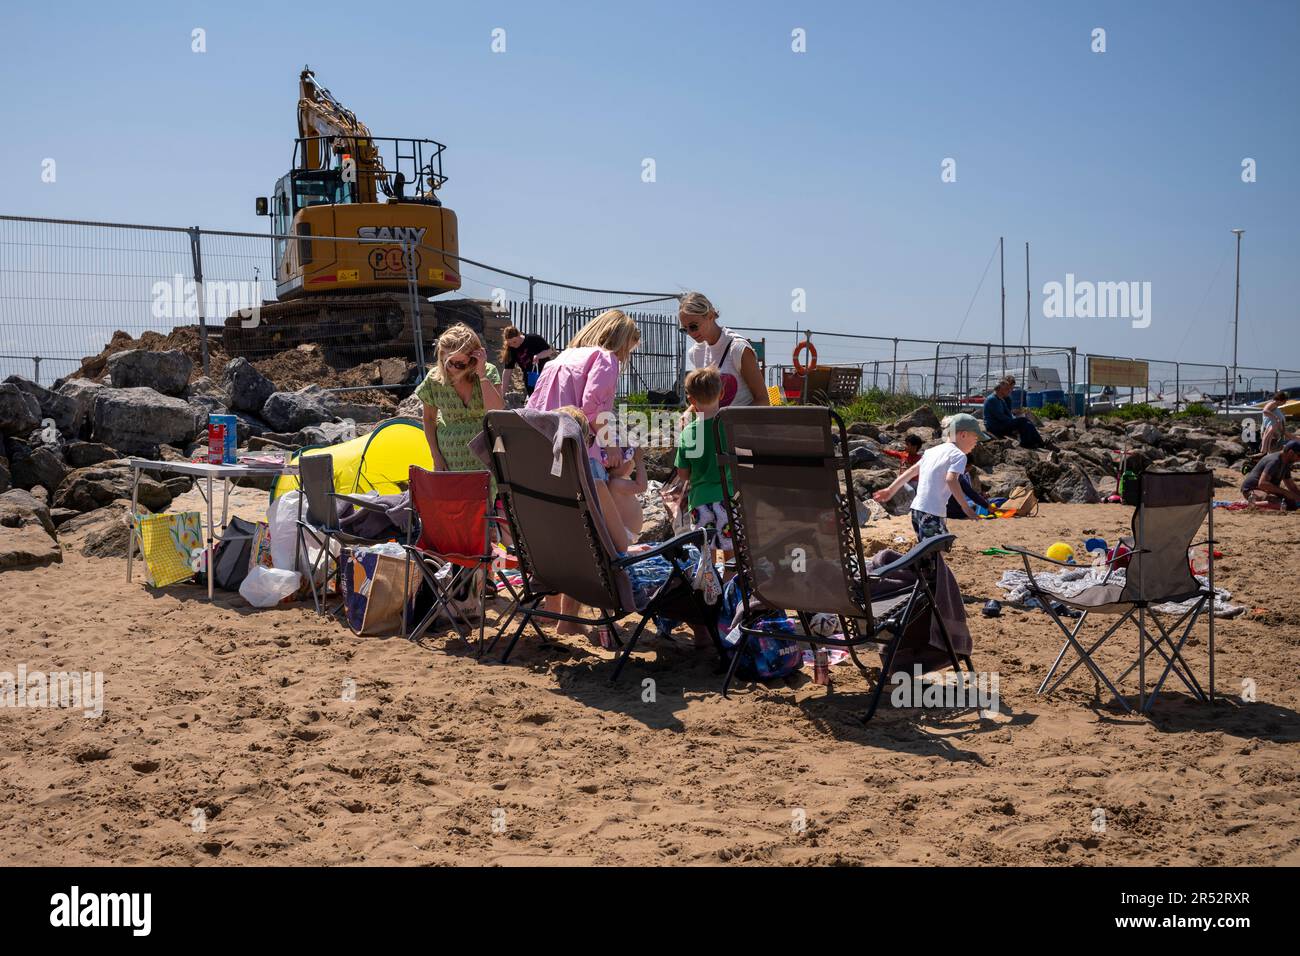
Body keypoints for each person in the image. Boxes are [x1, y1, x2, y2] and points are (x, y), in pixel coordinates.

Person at [527, 309, 640, 481]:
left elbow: (532, 406)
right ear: (621, 342)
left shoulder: (562, 357)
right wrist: (610, 445)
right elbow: (590, 408)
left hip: (545, 446)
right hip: (579, 452)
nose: (625, 356)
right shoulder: (605, 358)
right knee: (599, 503)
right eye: (627, 349)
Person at [874, 414, 986, 540]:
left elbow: (911, 471)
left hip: (917, 510)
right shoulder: (959, 455)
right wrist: (965, 507)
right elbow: (951, 479)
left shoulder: (931, 451)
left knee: (928, 550)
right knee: (936, 550)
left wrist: (890, 490)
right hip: (933, 512)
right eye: (976, 437)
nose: (976, 442)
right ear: (963, 435)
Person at [415, 323, 503, 476]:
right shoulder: (435, 379)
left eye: (459, 364)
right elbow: (429, 419)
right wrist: (436, 456)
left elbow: (496, 411)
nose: (453, 369)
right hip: (450, 459)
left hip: (486, 456)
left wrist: (482, 376)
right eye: (448, 362)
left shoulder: (488, 371)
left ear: (473, 358)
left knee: (489, 499)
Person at [674, 367, 733, 567]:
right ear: (722, 393)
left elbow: (683, 474)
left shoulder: (689, 433)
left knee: (706, 555)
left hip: (700, 502)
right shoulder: (731, 426)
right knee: (730, 554)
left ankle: (709, 588)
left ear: (691, 400)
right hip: (728, 498)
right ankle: (729, 588)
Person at [678, 291, 769, 409]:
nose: (690, 333)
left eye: (693, 326)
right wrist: (687, 414)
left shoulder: (738, 348)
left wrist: (730, 420)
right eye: (684, 329)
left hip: (741, 425)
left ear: (710, 316)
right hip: (715, 425)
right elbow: (705, 399)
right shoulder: (696, 353)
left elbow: (763, 400)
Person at [983, 376, 1048, 449]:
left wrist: (1015, 419)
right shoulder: (992, 400)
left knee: (1026, 422)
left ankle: (1037, 443)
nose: (1010, 391)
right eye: (1007, 389)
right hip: (994, 426)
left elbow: (1008, 413)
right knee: (1023, 421)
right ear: (1001, 390)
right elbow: (1000, 417)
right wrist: (1014, 421)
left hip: (1000, 423)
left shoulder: (1000, 399)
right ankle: (1032, 443)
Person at [499, 326, 557, 397]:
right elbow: (507, 371)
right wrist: (502, 393)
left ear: (519, 335)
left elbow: (549, 351)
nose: (513, 345)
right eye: (510, 343)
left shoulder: (533, 339)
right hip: (530, 379)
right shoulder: (511, 349)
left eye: (514, 342)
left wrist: (538, 356)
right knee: (533, 399)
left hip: (545, 375)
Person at [1241, 439, 1300, 509]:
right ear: (1290, 452)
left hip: (1267, 490)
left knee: (1291, 504)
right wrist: (1285, 492)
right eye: (1299, 456)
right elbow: (1262, 483)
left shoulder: (1286, 463)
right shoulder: (1274, 461)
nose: (1299, 459)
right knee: (1280, 503)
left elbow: (1291, 486)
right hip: (1252, 489)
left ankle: (1256, 503)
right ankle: (1247, 504)